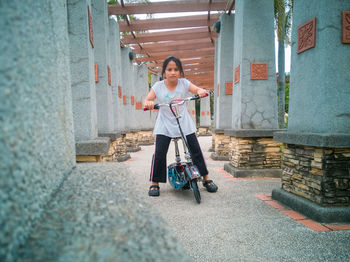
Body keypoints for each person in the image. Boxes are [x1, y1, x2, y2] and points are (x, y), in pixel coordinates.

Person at [143, 56, 218, 197]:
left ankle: (206, 179)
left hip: (183, 121)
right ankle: (155, 183)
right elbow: (147, 99)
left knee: (195, 150)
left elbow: (196, 89)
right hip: (164, 123)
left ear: (180, 71)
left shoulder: (184, 83)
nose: (173, 72)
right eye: (169, 69)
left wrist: (200, 91)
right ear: (164, 72)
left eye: (176, 69)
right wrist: (148, 103)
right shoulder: (158, 86)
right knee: (159, 153)